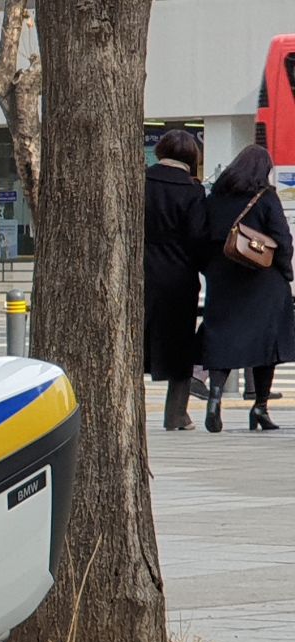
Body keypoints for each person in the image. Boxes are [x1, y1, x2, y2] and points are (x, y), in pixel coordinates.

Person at [200, 145, 293, 432]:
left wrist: (210, 269)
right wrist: (286, 272)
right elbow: (281, 238)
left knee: (223, 338)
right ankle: (260, 407)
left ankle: (215, 397)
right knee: (268, 343)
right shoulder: (265, 197)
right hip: (262, 280)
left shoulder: (216, 197)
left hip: (223, 279)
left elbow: (201, 235)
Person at [143, 129, 207, 430]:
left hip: (140, 271)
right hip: (179, 277)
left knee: (135, 340)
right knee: (180, 344)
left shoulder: (141, 180)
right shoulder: (192, 190)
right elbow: (197, 238)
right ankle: (176, 413)